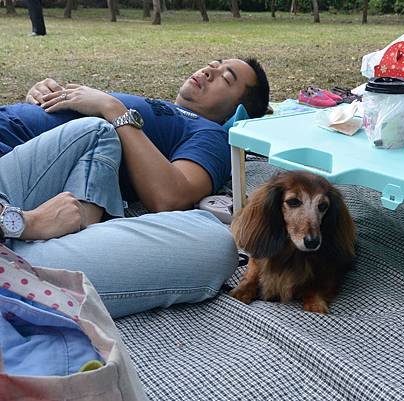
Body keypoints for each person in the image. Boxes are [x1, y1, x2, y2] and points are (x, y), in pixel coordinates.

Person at [0, 58, 270, 318]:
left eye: (226, 77)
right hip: (14, 153)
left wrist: (114, 110)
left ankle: (22, 254)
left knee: (99, 131)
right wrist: (45, 97)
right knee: (98, 131)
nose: (211, 69)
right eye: (215, 63)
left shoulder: (211, 133)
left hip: (15, 170)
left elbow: (169, 198)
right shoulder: (154, 111)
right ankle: (20, 262)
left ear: (238, 112)